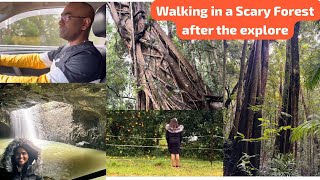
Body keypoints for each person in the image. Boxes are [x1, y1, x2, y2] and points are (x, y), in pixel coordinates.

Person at [0, 2, 104, 83]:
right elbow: (36, 60)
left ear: (84, 23)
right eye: (61, 17)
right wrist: (1, 59)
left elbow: (42, 83)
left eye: (67, 17)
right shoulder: (67, 48)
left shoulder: (87, 58)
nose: (60, 22)